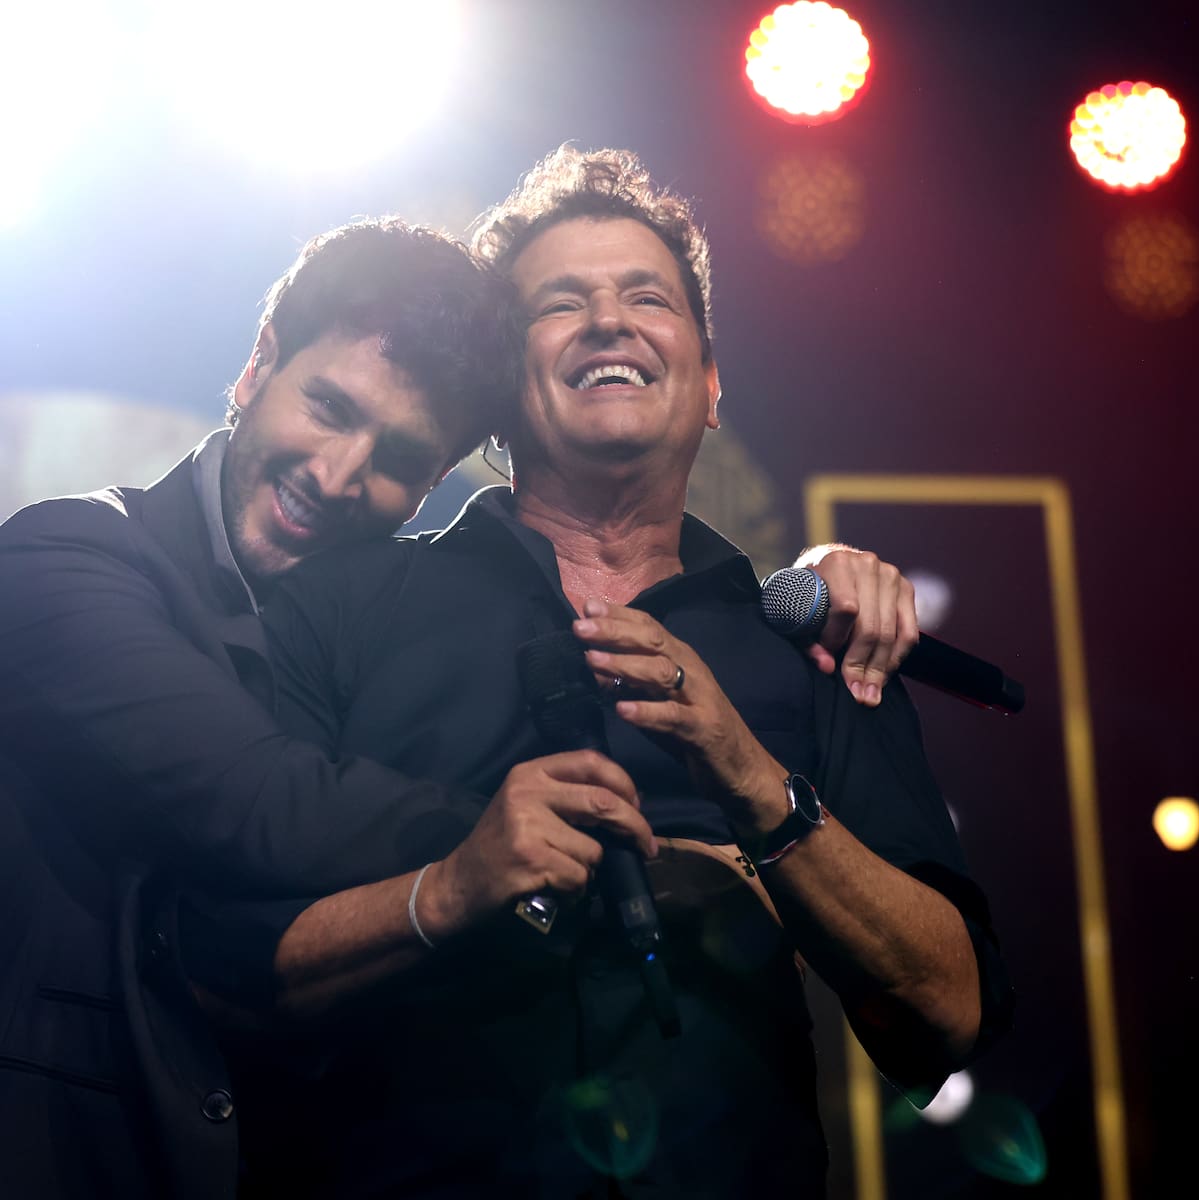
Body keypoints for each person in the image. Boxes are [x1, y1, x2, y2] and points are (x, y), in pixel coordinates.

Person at [0, 209, 919, 1200]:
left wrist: (812, 582)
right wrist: (614, 853)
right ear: (257, 365)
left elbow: (947, 1009)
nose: (337, 475)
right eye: (328, 407)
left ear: (436, 480)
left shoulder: (348, 607)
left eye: (399, 458)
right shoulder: (66, 558)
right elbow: (262, 800)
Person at [212, 147, 1012, 1198]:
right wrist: (451, 889)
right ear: (500, 400)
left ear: (712, 386)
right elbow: (222, 965)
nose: (608, 322)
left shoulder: (812, 644)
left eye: (648, 298)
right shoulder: (344, 604)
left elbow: (945, 1016)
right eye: (560, 304)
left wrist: (753, 783)